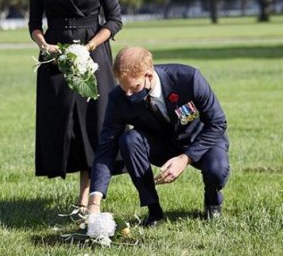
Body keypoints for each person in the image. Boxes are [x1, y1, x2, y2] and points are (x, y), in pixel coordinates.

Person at [29, 0, 123, 209]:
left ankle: (87, 198)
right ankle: (74, 181)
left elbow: (114, 20)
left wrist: (90, 46)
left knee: (92, 124)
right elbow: (34, 23)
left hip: (93, 51)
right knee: (62, 124)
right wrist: (44, 45)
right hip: (56, 53)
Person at [88, 47, 230, 226]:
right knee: (129, 140)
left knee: (217, 170)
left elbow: (218, 123)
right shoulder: (119, 98)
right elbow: (106, 146)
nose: (128, 94)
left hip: (200, 140)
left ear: (149, 74)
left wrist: (185, 158)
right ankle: (154, 210)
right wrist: (94, 200)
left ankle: (212, 200)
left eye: (134, 87)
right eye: (124, 88)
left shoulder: (189, 79)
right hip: (161, 145)